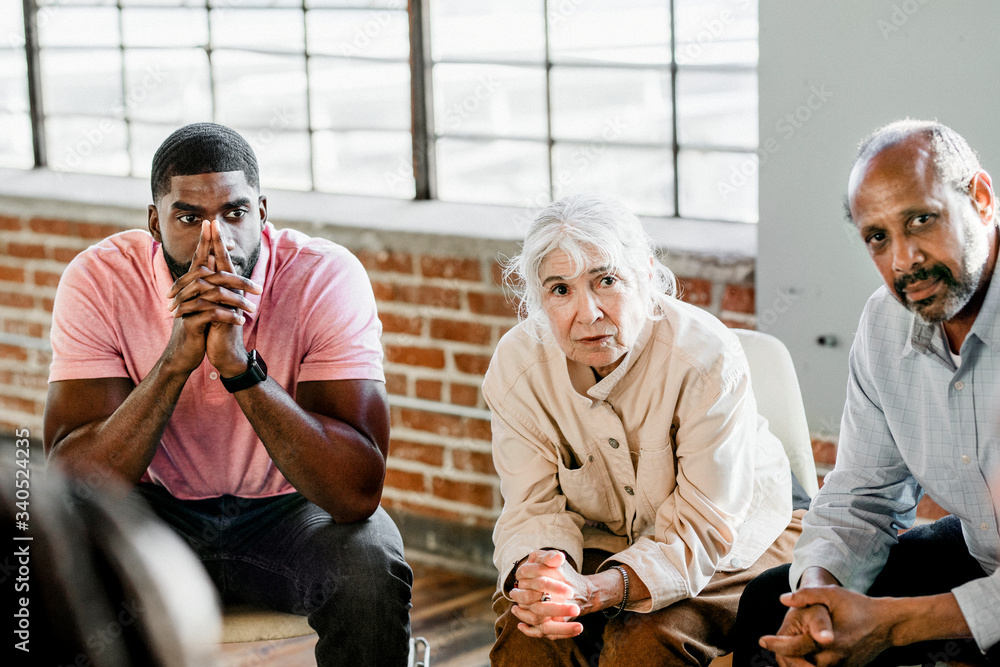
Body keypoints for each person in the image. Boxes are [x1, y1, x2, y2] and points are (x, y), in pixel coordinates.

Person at [42, 123, 412, 666]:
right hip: (153, 513)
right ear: (154, 222)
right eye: (188, 217)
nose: (217, 238)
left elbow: (355, 492)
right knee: (48, 557)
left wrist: (239, 367)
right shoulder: (99, 279)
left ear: (262, 214)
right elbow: (73, 485)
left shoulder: (325, 276)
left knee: (368, 563)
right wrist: (175, 361)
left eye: (235, 214)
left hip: (289, 513)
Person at [483, 194, 805, 666]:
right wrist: (544, 577)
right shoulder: (517, 368)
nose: (588, 312)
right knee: (530, 633)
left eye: (606, 280)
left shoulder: (705, 357)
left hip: (737, 531)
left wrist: (596, 590)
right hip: (608, 537)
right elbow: (531, 509)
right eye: (560, 290)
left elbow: (705, 525)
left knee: (645, 641)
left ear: (648, 277)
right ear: (538, 300)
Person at [732, 120, 1000, 667]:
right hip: (983, 552)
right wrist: (819, 595)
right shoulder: (885, 323)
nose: (904, 261)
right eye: (878, 237)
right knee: (772, 606)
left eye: (921, 220)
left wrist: (894, 625)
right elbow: (862, 495)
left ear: (981, 198)